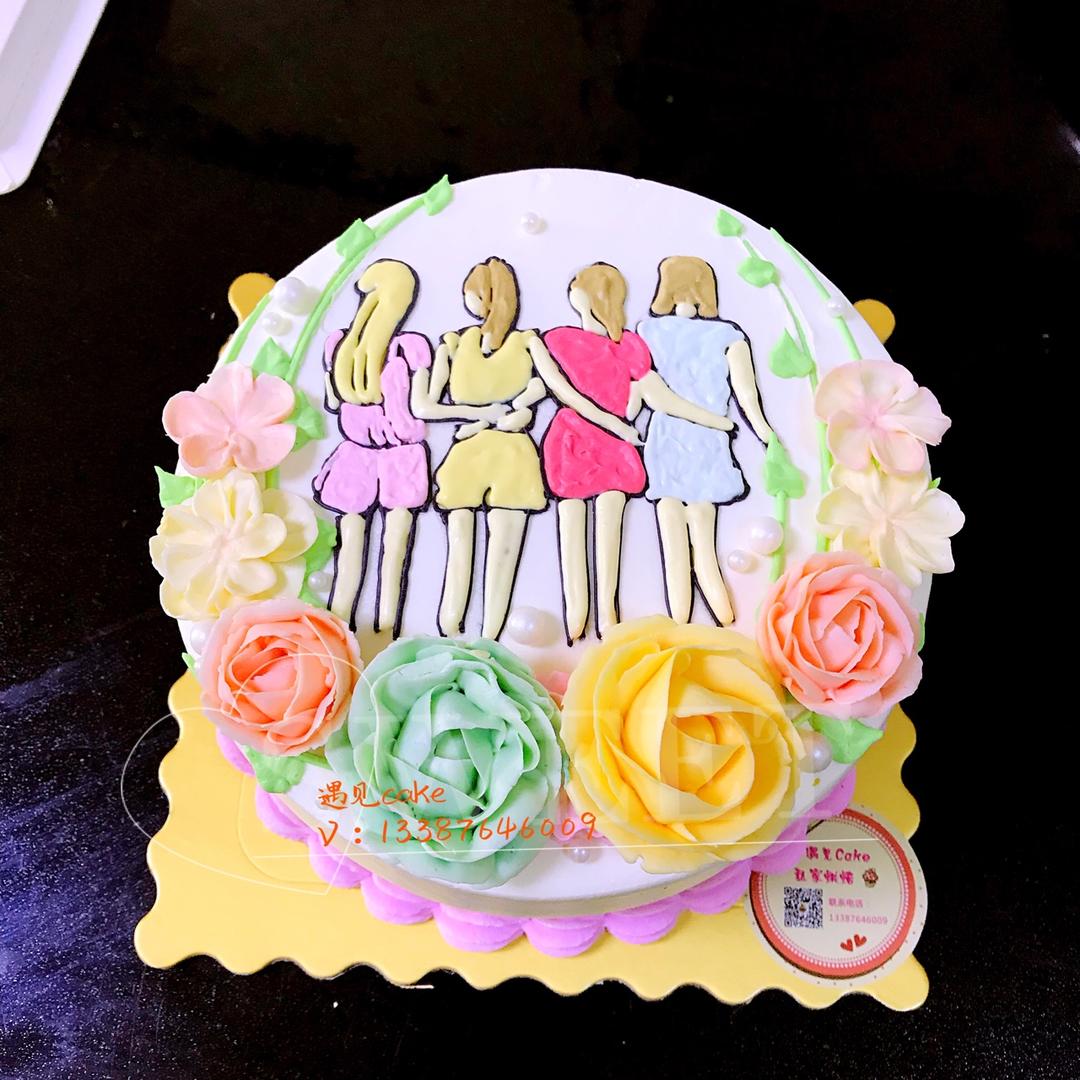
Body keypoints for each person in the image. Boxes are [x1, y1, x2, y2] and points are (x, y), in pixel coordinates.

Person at [534, 262, 733, 642]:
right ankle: (576, 615)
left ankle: (607, 615)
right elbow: (565, 393)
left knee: (609, 535)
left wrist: (714, 420)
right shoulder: (558, 340)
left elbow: (661, 397)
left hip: (612, 448)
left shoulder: (629, 346)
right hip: (573, 443)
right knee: (571, 531)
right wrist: (616, 425)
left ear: (585, 295)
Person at [313, 259, 491, 636]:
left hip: (356, 452)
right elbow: (424, 407)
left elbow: (332, 400)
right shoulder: (410, 348)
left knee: (351, 552)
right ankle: (384, 633)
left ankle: (338, 631)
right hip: (401, 456)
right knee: (394, 553)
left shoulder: (338, 346)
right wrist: (481, 412)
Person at [415, 257, 548, 640]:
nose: (467, 302)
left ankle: (491, 636)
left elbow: (550, 383)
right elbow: (425, 406)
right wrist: (482, 413)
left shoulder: (528, 343)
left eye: (470, 294)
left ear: (488, 296)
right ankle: (450, 628)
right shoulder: (454, 344)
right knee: (459, 547)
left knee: (505, 554)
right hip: (467, 453)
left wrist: (522, 406)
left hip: (513, 455)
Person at [637, 255, 773, 625]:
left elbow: (639, 390)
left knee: (672, 540)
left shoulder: (648, 332)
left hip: (666, 438)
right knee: (703, 537)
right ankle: (725, 618)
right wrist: (767, 436)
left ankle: (679, 623)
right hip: (708, 440)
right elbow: (747, 397)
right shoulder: (728, 335)